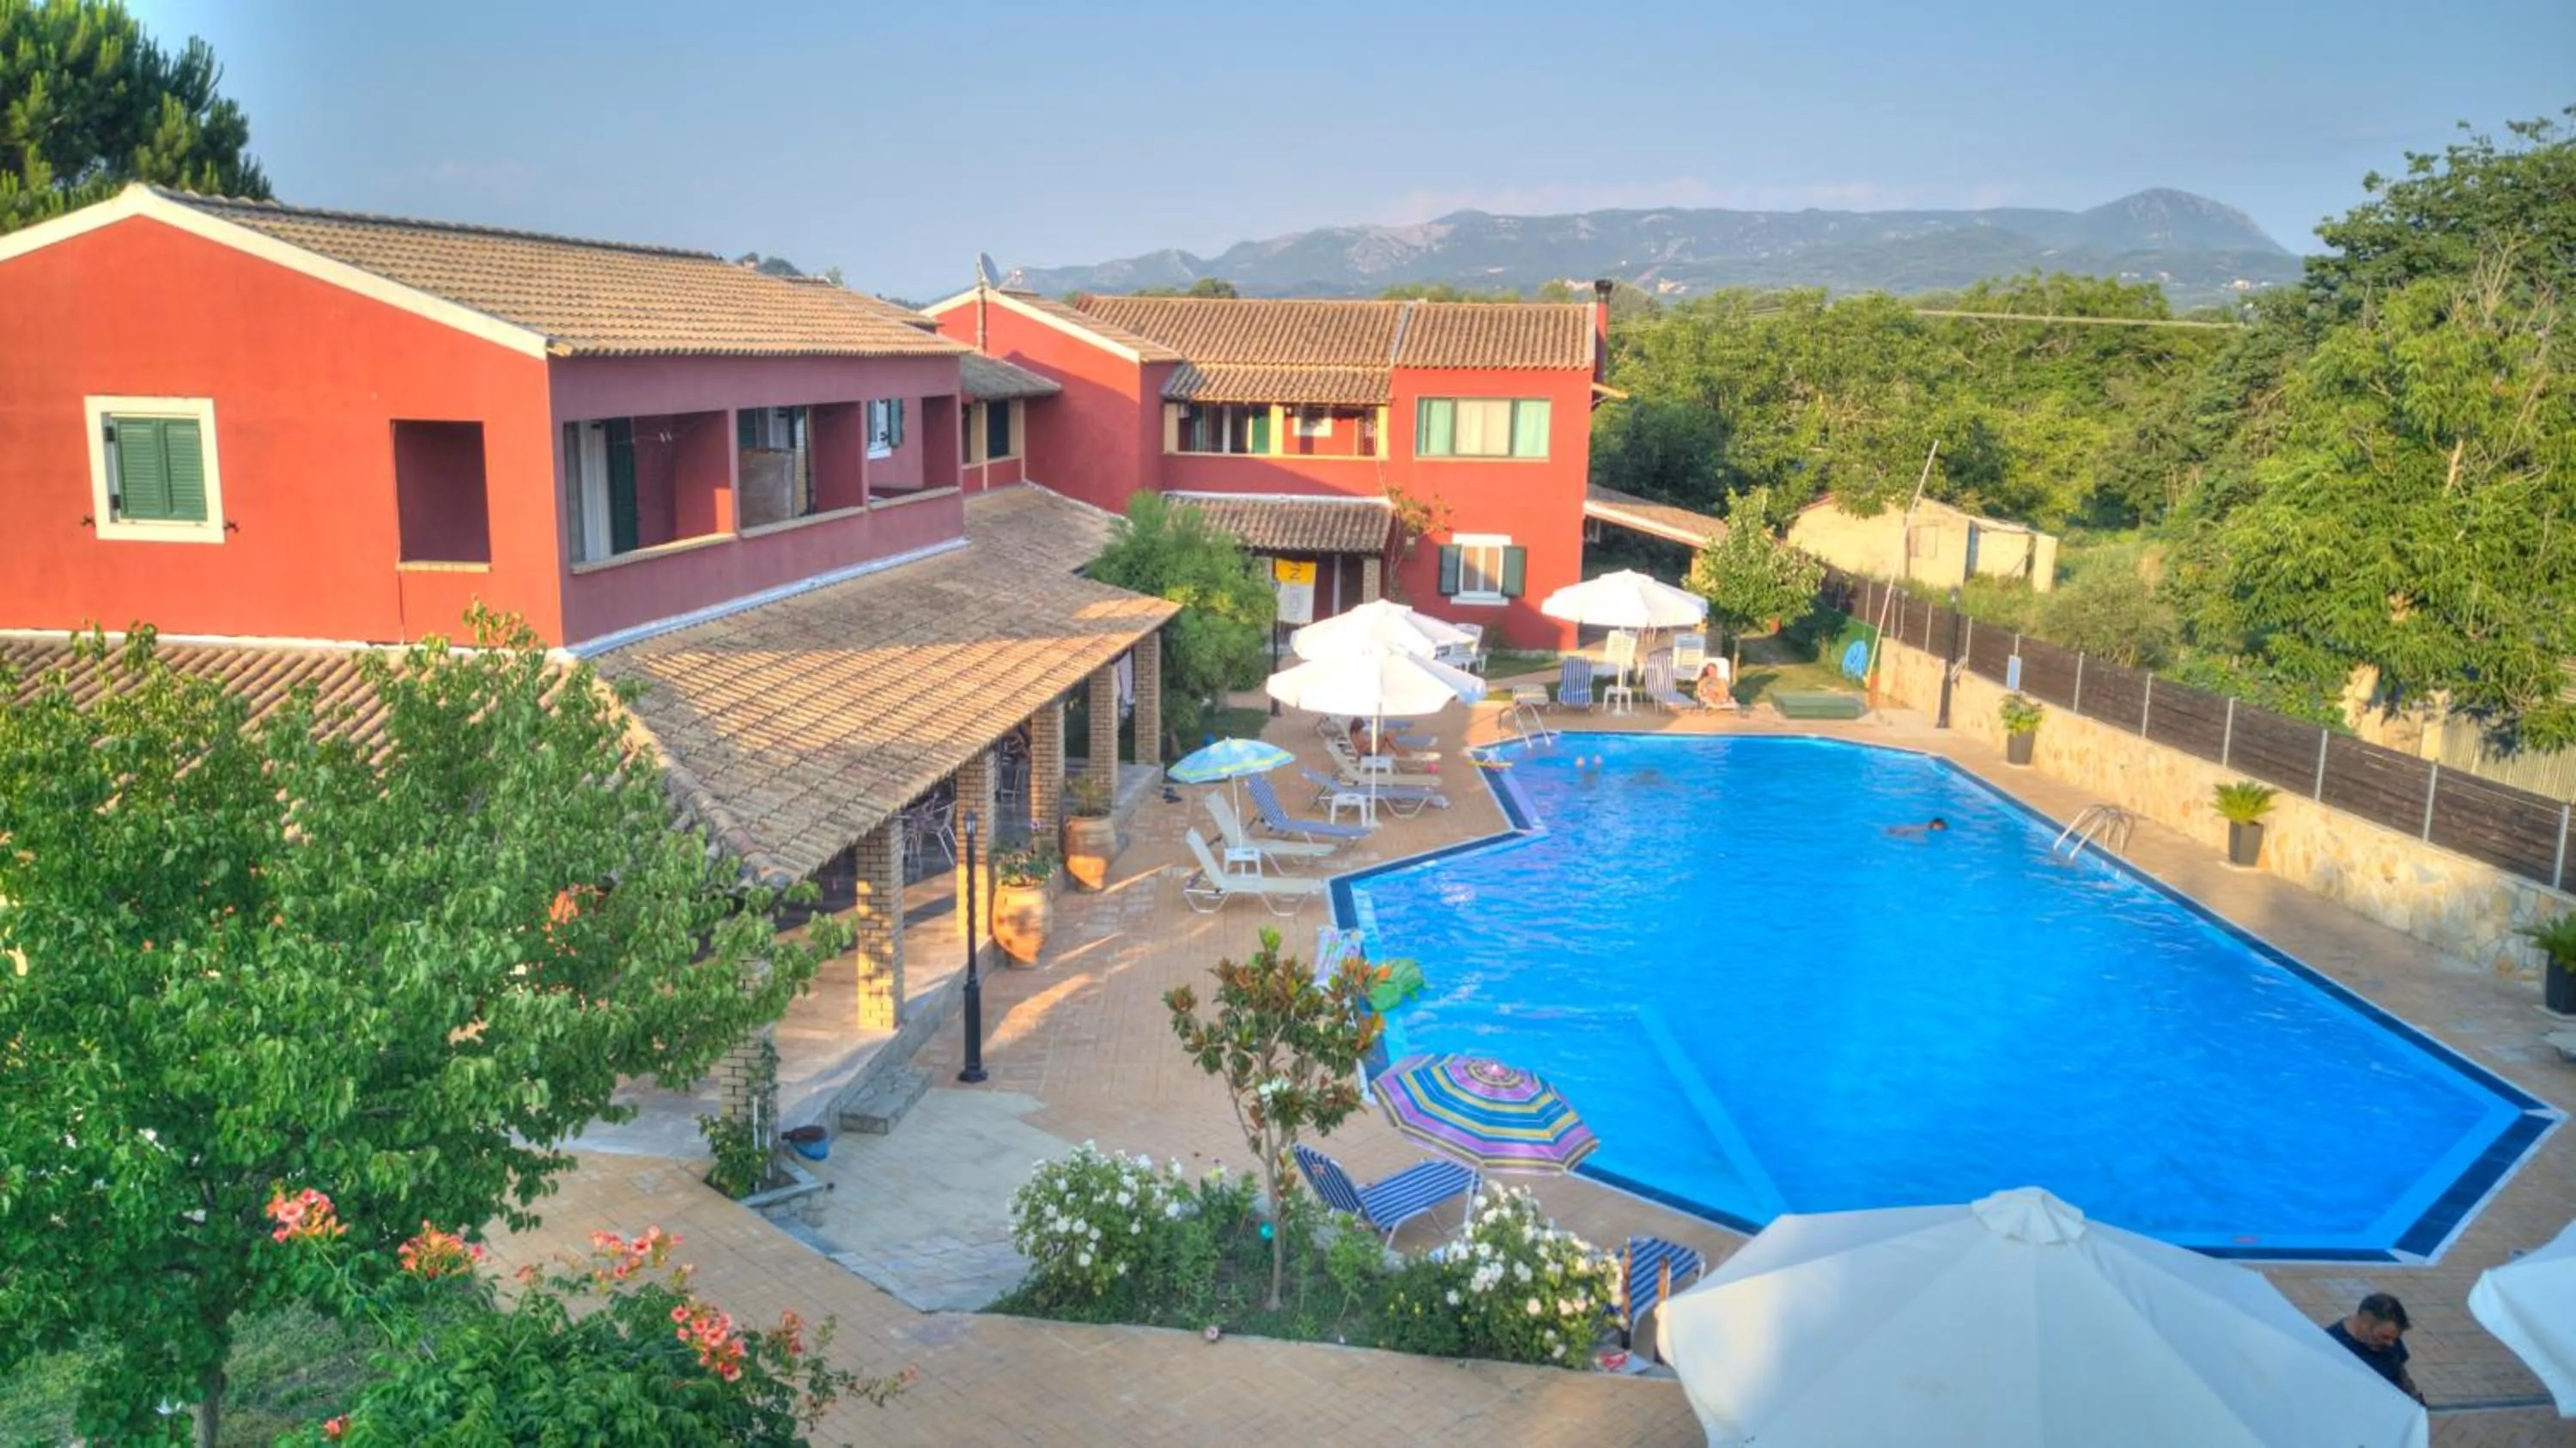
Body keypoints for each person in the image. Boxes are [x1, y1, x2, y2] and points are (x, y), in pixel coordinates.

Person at [2325, 1293, 2426, 1403]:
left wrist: (2413, 1396)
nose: (2391, 1344)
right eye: (2384, 1337)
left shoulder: (2389, 1336)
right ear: (2364, 1323)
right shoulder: (2331, 1346)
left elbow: (2400, 1371)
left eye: (2395, 1338)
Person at [1886, 817, 1950, 838]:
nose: (1940, 829)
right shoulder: (1926, 827)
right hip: (1904, 831)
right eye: (1940, 828)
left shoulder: (1928, 824)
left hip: (1903, 829)